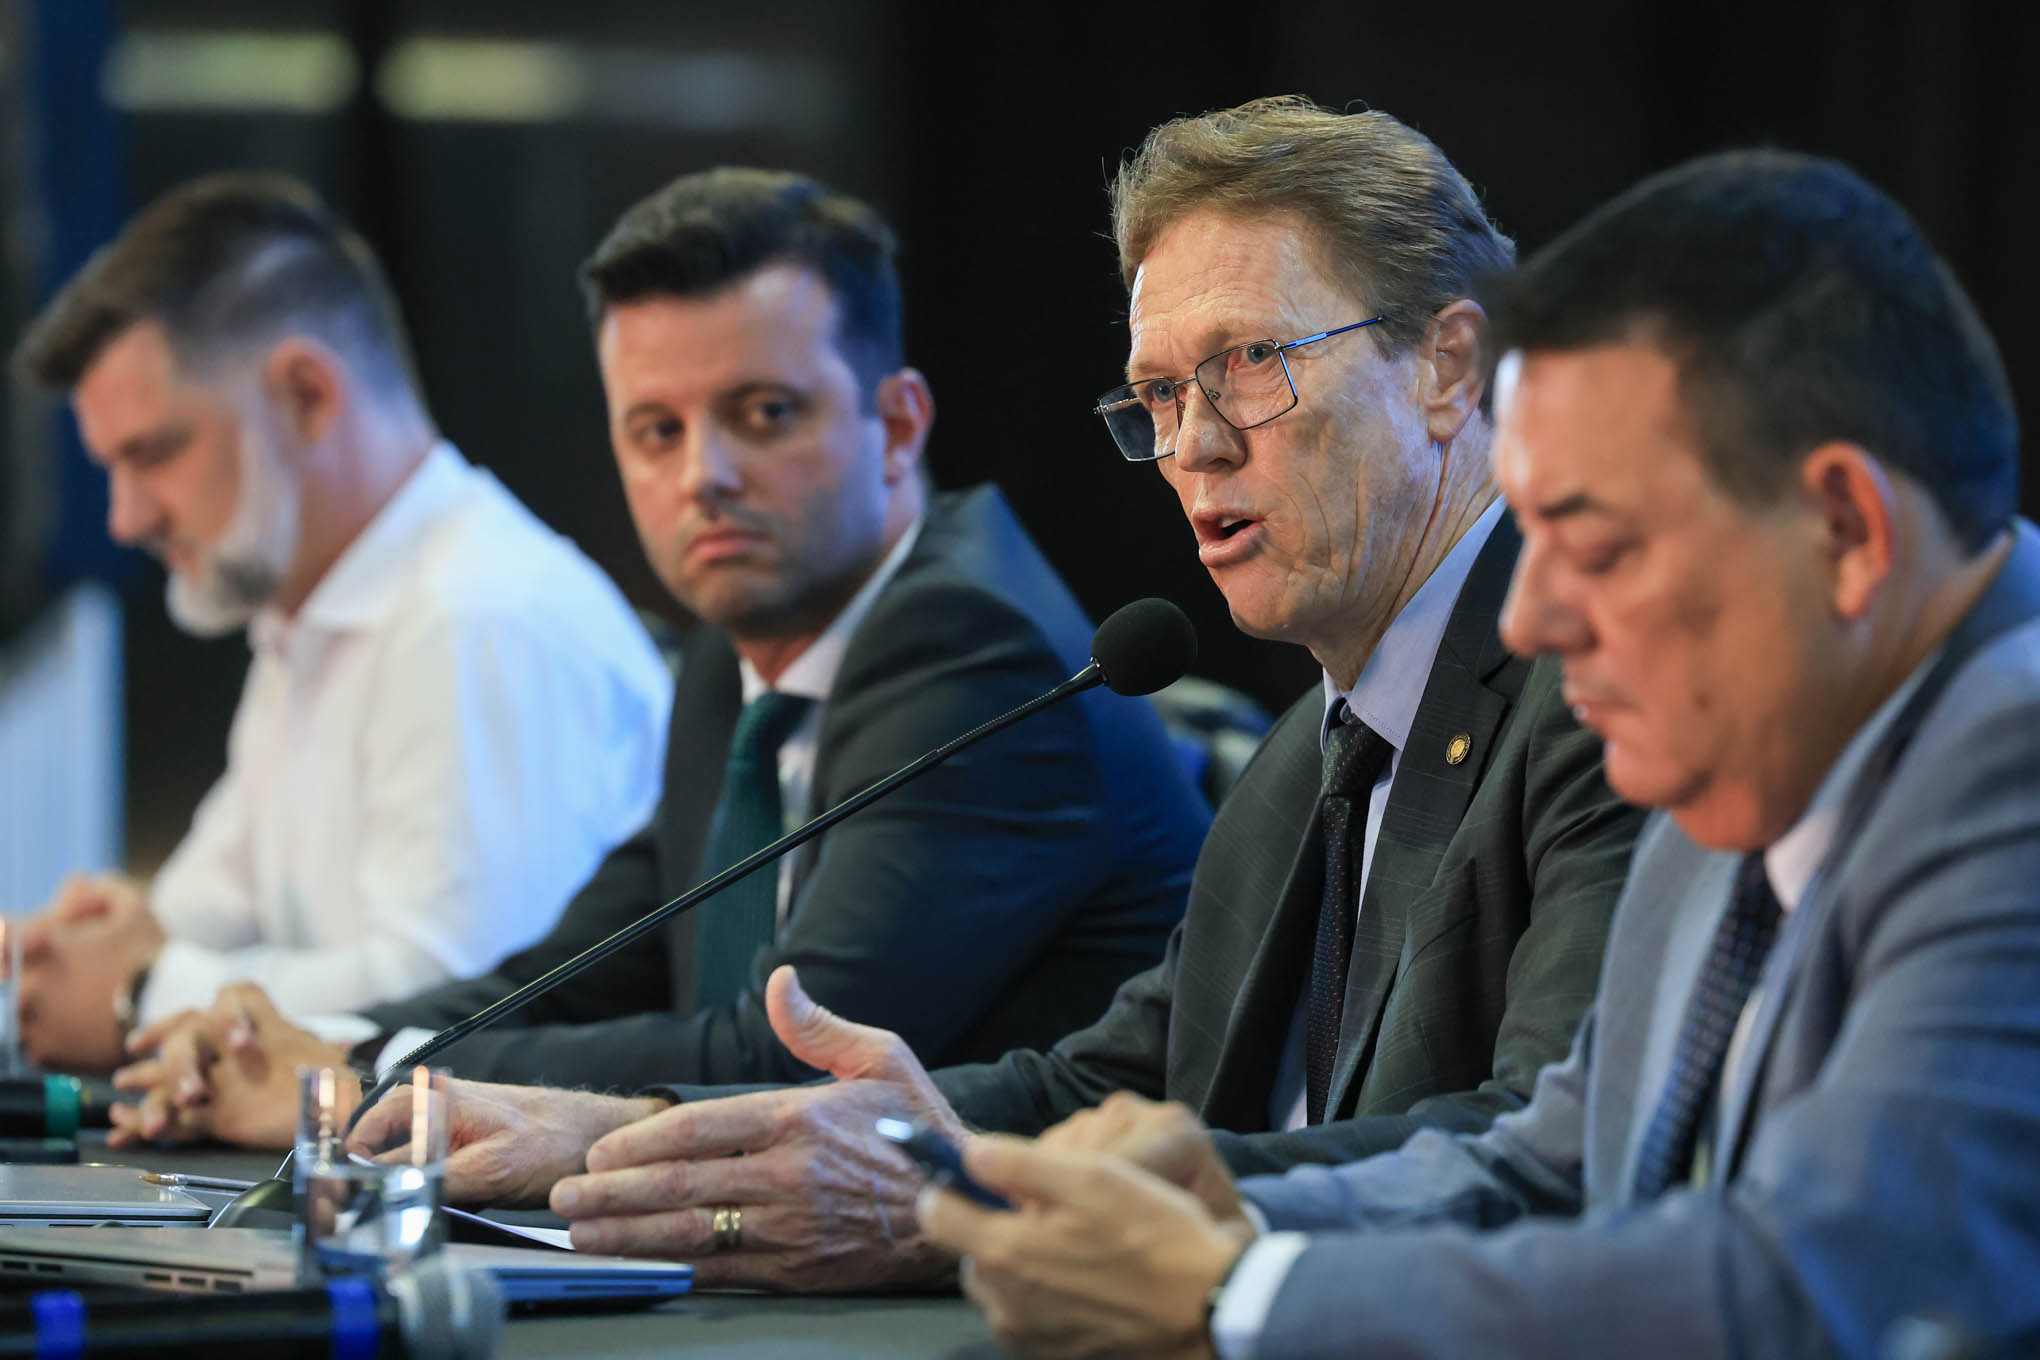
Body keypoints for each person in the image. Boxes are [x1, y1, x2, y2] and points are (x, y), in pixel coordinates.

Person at [345, 97, 1646, 1293]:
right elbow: (1097, 1089)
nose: (1194, 446)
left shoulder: (1607, 705)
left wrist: (964, 1198)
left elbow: (1543, 1147)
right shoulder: (1312, 753)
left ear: (1447, 367)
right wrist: (631, 1134)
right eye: (1160, 393)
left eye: (1252, 360)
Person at [918, 148, 2040, 1359]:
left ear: (1846, 532)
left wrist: (1237, 1295)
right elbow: (1549, 1166)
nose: (1531, 617)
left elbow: (1825, 1284)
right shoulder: (1747, 765)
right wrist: (1205, 1224)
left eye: (1595, 546)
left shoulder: (2012, 764)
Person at [108, 167, 1211, 1149]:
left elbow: (784, 1057)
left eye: (763, 413)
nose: (702, 476)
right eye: (657, 430)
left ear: (897, 427)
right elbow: (566, 979)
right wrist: (316, 1042)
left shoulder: (971, 643)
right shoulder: (732, 654)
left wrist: (366, 1076)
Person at [11, 173, 673, 1075]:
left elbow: (462, 1005)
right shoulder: (311, 616)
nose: (126, 518)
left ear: (308, 396)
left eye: (155, 452)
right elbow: (195, 920)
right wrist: (81, 950)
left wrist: (141, 994)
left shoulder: (478, 615)